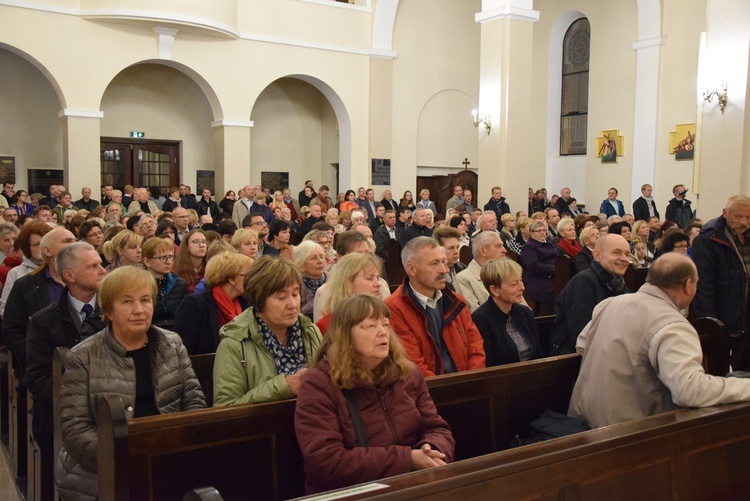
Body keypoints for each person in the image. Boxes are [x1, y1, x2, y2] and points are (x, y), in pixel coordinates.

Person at [55, 267, 206, 499]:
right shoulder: (82, 356)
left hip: (168, 459)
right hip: (105, 470)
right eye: (127, 302)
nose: (139, 310)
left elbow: (194, 401)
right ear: (108, 310)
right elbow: (75, 429)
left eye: (145, 300)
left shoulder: (171, 344)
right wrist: (125, 459)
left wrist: (178, 449)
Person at [295, 294, 454, 494]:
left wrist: (431, 450)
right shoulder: (319, 384)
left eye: (385, 325)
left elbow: (438, 428)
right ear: (345, 336)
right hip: (351, 493)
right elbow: (327, 462)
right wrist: (408, 459)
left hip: (411, 485)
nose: (382, 333)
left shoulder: (408, 373)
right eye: (370, 326)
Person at [568, 253, 750, 429]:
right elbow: (690, 391)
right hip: (633, 436)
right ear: (688, 285)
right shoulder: (672, 324)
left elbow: (582, 345)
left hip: (583, 423)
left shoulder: (610, 304)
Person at [26, 242, 106, 453]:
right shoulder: (43, 321)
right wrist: (79, 398)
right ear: (69, 276)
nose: (103, 270)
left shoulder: (113, 312)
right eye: (92, 266)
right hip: (62, 415)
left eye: (100, 263)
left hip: (110, 409)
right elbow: (37, 377)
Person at [213, 256, 322, 405]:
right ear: (259, 300)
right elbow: (225, 408)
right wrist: (285, 386)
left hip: (315, 421)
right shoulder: (235, 343)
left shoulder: (309, 331)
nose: (292, 304)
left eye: (295, 294)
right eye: (281, 297)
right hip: (263, 426)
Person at [385, 236, 485, 377]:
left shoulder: (456, 300)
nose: (444, 270)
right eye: (434, 263)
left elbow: (475, 345)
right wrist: (444, 389)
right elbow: (412, 363)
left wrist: (471, 380)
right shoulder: (394, 308)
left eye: (444, 262)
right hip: (429, 392)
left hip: (467, 384)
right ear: (412, 269)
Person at [549, 234, 631, 355]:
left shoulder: (620, 286)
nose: (624, 258)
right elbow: (581, 333)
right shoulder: (583, 282)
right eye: (616, 252)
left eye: (627, 254)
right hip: (573, 360)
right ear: (597, 255)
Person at [173, 251, 251, 355]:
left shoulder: (245, 304)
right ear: (231, 279)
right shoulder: (195, 304)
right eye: (247, 275)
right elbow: (183, 351)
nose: (251, 280)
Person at [472, 258, 542, 366]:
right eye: (514, 284)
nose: (522, 287)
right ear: (494, 290)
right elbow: (488, 365)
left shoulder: (525, 313)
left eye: (521, 280)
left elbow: (538, 354)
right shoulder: (480, 319)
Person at [316, 252, 383, 334]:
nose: (378, 284)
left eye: (378, 278)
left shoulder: (382, 319)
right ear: (348, 283)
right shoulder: (327, 325)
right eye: (369, 278)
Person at [454, 231, 508, 312]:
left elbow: (523, 308)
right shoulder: (463, 279)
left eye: (502, 246)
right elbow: (474, 315)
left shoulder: (506, 273)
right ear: (483, 251)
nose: (504, 250)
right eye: (498, 246)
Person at [142, 238, 187, 327]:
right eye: (163, 258)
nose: (168, 262)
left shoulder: (180, 284)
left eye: (170, 257)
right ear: (147, 261)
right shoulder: (139, 285)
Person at [519, 220, 557, 312]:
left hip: (553, 275)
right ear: (532, 233)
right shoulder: (529, 247)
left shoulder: (548, 244)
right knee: (552, 291)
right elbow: (533, 266)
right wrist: (554, 269)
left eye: (544, 230)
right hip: (537, 279)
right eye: (538, 231)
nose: (542, 233)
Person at [294, 240, 328, 318]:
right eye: (314, 258)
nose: (320, 261)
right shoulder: (294, 284)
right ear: (301, 264)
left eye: (322, 257)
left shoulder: (334, 282)